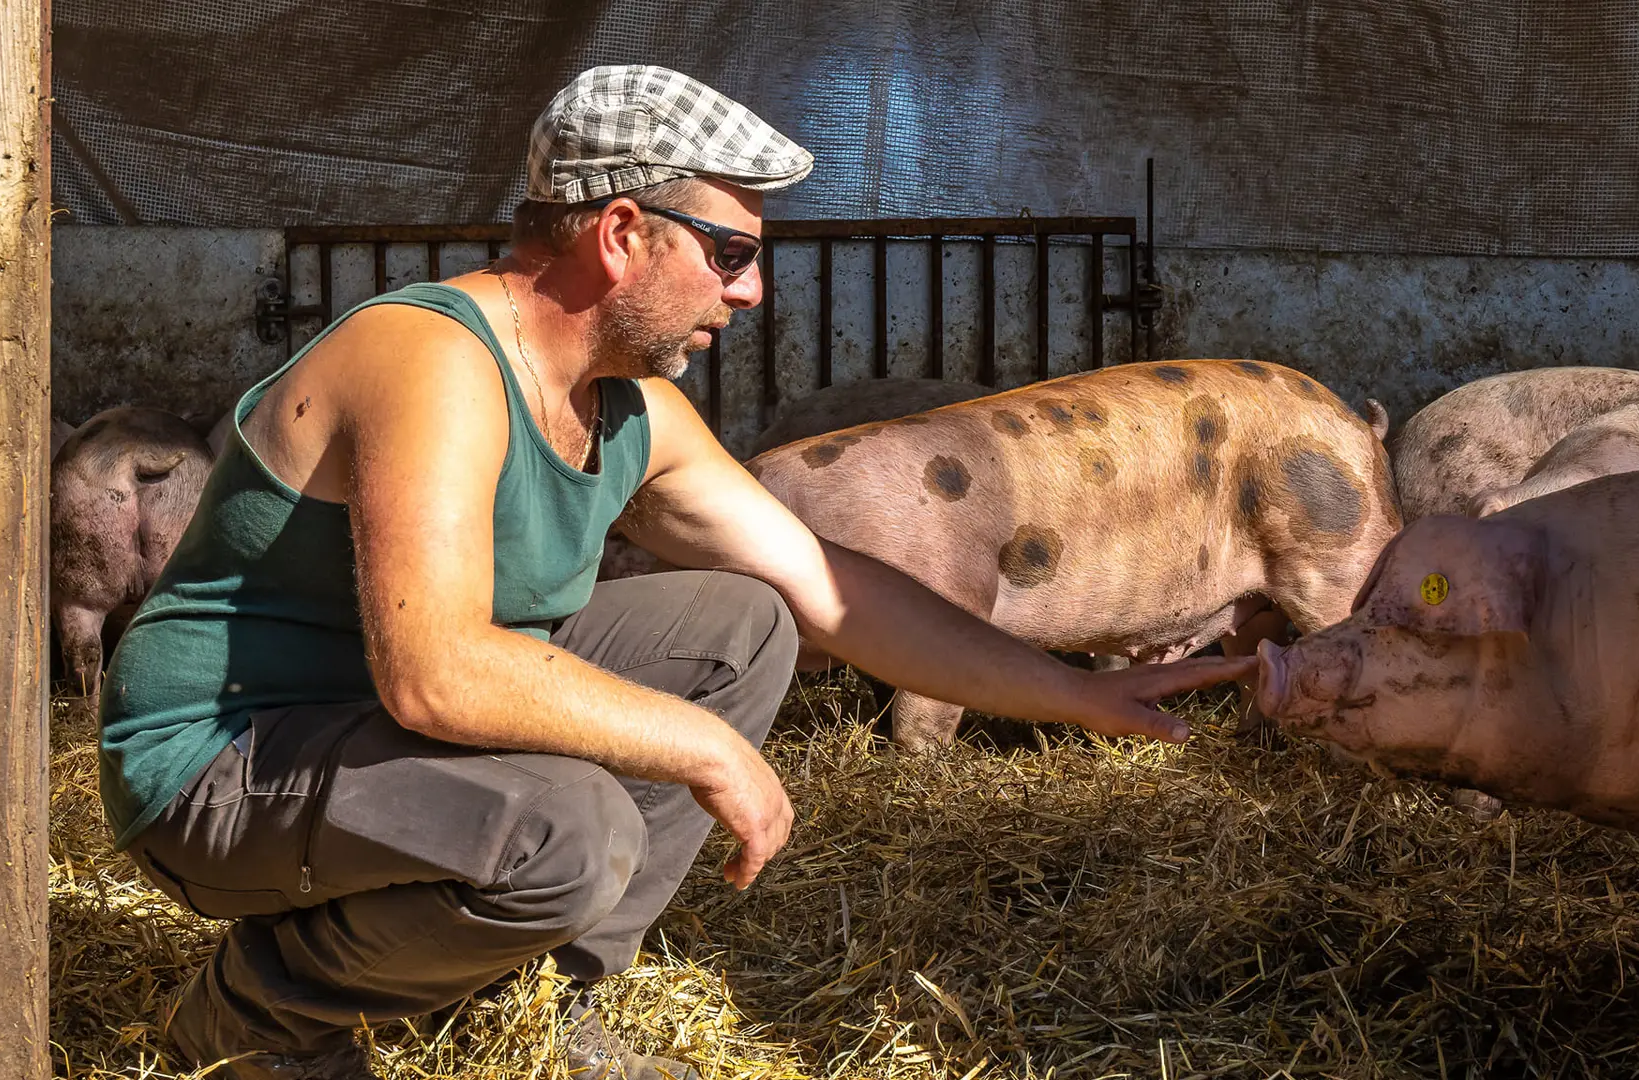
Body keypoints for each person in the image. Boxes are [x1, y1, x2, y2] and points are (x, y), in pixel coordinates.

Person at [100, 65, 1254, 1080]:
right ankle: (256, 1020)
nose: (750, 292)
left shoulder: (633, 408)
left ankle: (550, 1000)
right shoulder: (434, 358)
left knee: (741, 621)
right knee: (573, 829)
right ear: (620, 233)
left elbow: (824, 586)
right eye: (731, 254)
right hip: (229, 760)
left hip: (375, 744)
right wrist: (704, 745)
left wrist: (1077, 690)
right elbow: (436, 677)